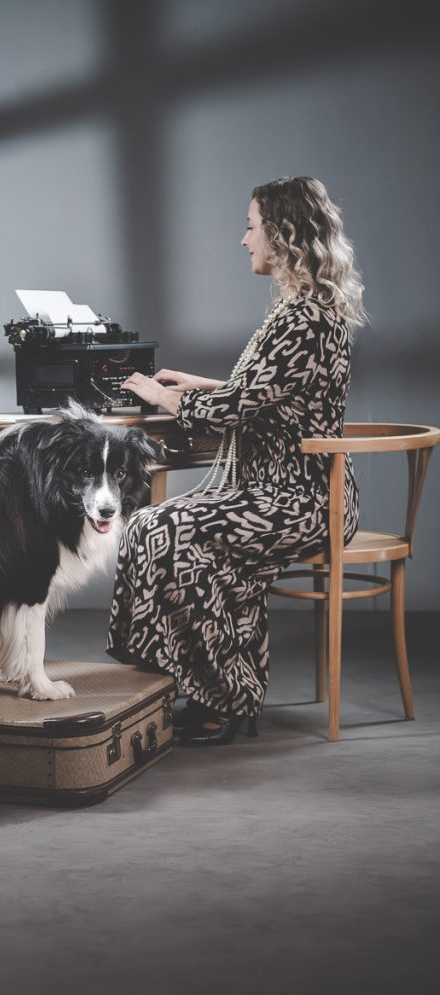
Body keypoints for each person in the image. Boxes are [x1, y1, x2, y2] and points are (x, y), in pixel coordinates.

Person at [108, 175, 364, 745]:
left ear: (282, 233)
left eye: (251, 227)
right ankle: (208, 691)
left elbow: (234, 409)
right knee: (167, 531)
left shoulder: (304, 319)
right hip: (274, 493)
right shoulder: (299, 310)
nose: (244, 240)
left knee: (165, 526)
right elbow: (268, 393)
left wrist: (160, 397)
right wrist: (198, 384)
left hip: (304, 500)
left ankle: (213, 696)